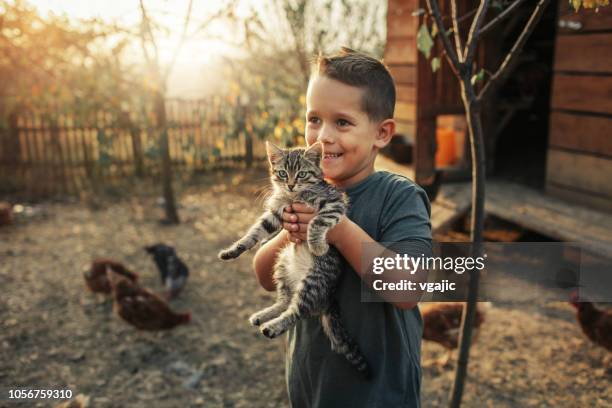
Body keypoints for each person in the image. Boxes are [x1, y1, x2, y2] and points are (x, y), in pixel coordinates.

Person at [252, 48, 432, 408]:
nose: (322, 137)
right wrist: (290, 232)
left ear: (382, 133)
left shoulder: (398, 197)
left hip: (379, 393)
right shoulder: (300, 192)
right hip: (312, 384)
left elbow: (408, 290)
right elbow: (266, 276)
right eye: (314, 119)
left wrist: (336, 228)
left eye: (342, 123)